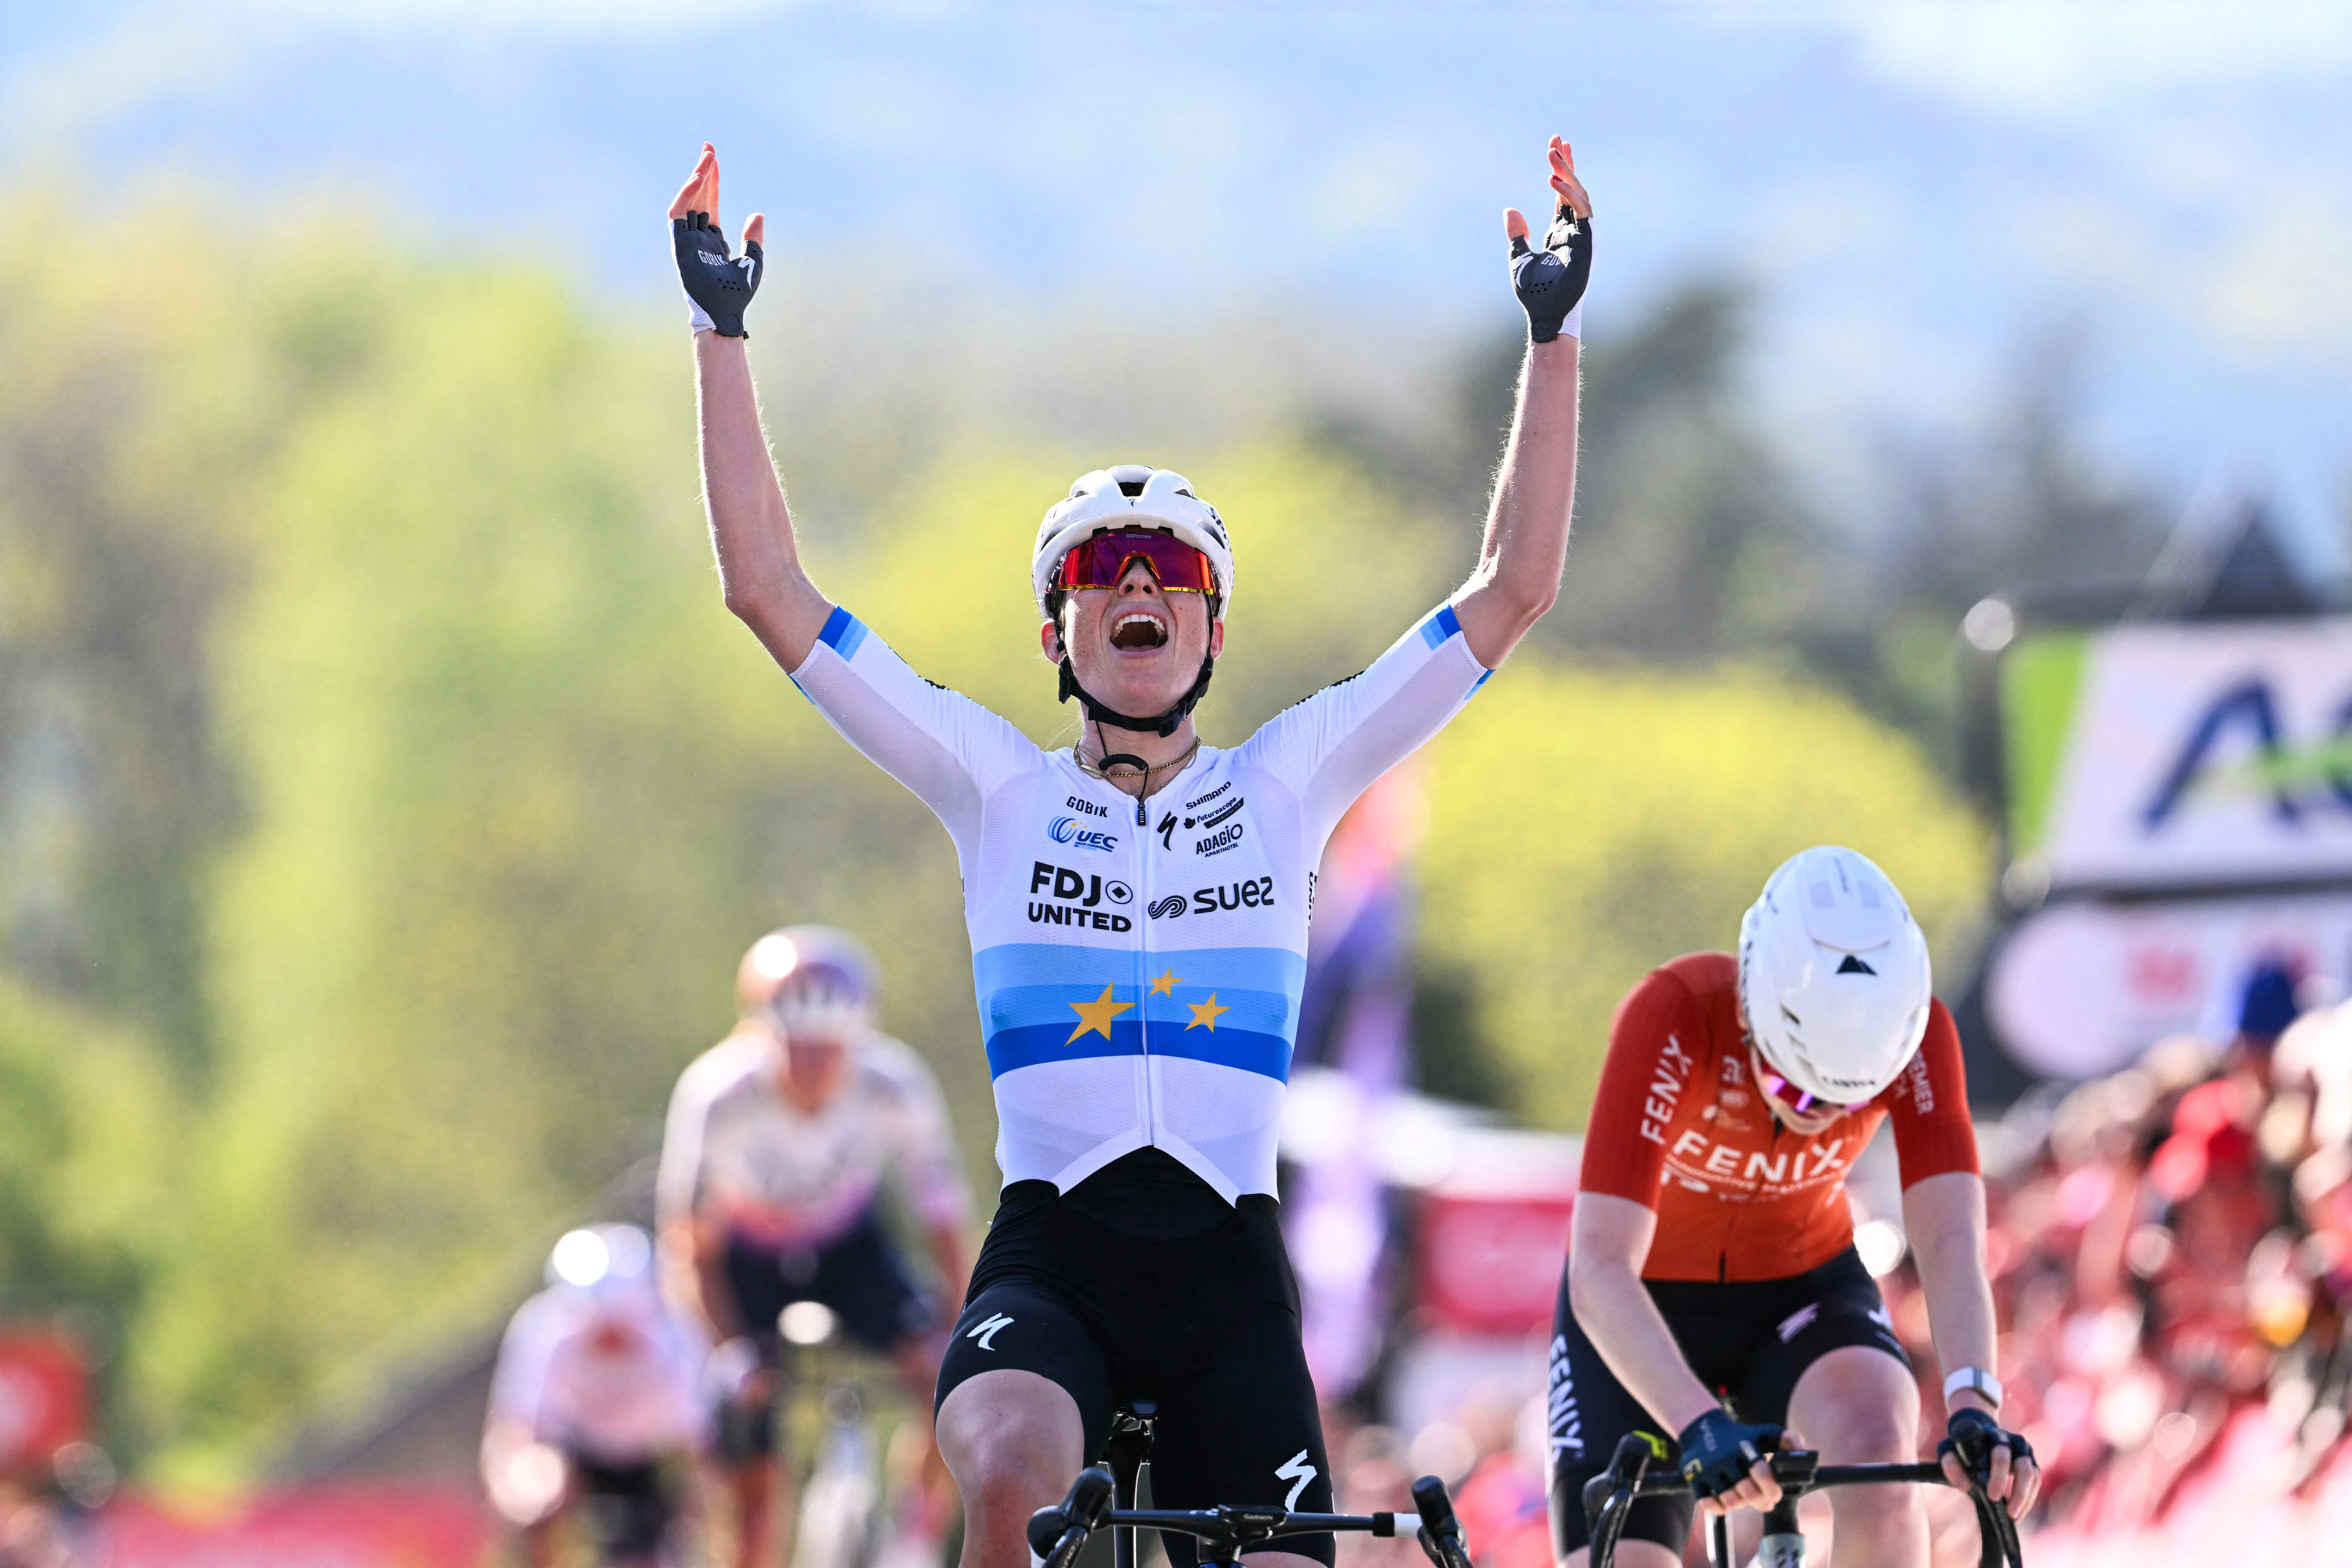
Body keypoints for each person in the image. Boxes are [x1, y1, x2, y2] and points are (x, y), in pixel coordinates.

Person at [666, 133, 1592, 1568]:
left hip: (1230, 1277)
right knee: (1013, 1473)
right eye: (1103, 572)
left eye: (1174, 574)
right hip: (1057, 1260)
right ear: (1061, 637)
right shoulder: (996, 787)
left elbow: (1514, 590)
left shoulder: (1295, 780)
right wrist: (722, 333)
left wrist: (1555, 338)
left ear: (1214, 632)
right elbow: (768, 589)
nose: (1141, 584)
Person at [1548, 847, 2040, 1568]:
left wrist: (1974, 1408)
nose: (1824, 1116)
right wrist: (1696, 1425)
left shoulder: (1922, 1036)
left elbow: (1951, 1243)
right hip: (1640, 1309)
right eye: (1802, 1092)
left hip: (1799, 1291)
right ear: (1751, 1011)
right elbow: (1598, 1265)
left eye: (1853, 1099)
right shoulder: (1675, 1012)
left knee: (1881, 1461)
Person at [659, 925, 974, 1568]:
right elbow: (689, 1244)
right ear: (758, 1032)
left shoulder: (894, 1084)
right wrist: (727, 1349)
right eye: (793, 1047)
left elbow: (942, 1216)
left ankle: (910, 1544)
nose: (810, 1068)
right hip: (746, 1260)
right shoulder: (717, 1095)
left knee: (946, 1378)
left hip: (848, 1248)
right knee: (753, 1454)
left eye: (828, 1050)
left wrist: (956, 1321)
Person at [483, 1225, 709, 1568]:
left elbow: (700, 1450)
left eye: (616, 1326)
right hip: (571, 1452)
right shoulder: (541, 1331)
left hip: (652, 1457)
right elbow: (513, 1433)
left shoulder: (677, 1340)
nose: (606, 1339)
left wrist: (695, 1511)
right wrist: (519, 1493)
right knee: (535, 1491)